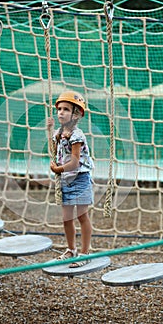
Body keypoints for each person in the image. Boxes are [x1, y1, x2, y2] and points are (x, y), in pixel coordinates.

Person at [47, 91, 94, 268]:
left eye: (65, 109)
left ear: (76, 115)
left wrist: (58, 169)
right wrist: (49, 130)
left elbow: (74, 162)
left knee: (82, 216)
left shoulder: (77, 135)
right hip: (66, 179)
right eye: (59, 109)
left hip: (80, 177)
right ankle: (71, 249)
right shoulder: (59, 132)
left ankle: (85, 252)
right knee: (66, 218)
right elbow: (56, 149)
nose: (60, 112)